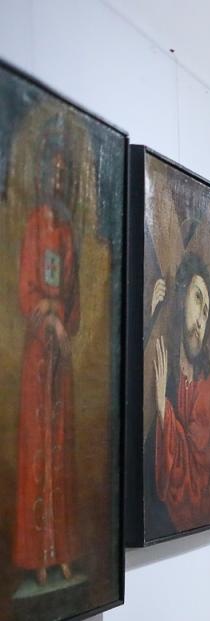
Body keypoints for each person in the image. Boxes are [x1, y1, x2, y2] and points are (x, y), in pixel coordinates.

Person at [14, 119, 80, 590]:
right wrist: (49, 317)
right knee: (37, 450)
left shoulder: (68, 233)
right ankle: (36, 555)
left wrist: (63, 319)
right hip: (39, 353)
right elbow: (26, 290)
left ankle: (62, 553)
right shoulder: (35, 224)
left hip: (61, 357)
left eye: (63, 174)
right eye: (51, 172)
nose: (57, 181)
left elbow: (72, 298)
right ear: (42, 175)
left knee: (61, 449)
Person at [149, 251, 210, 533]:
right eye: (197, 298)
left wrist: (163, 409)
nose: (200, 322)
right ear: (181, 299)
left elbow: (197, 473)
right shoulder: (170, 364)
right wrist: (151, 316)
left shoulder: (207, 387)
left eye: (206, 312)